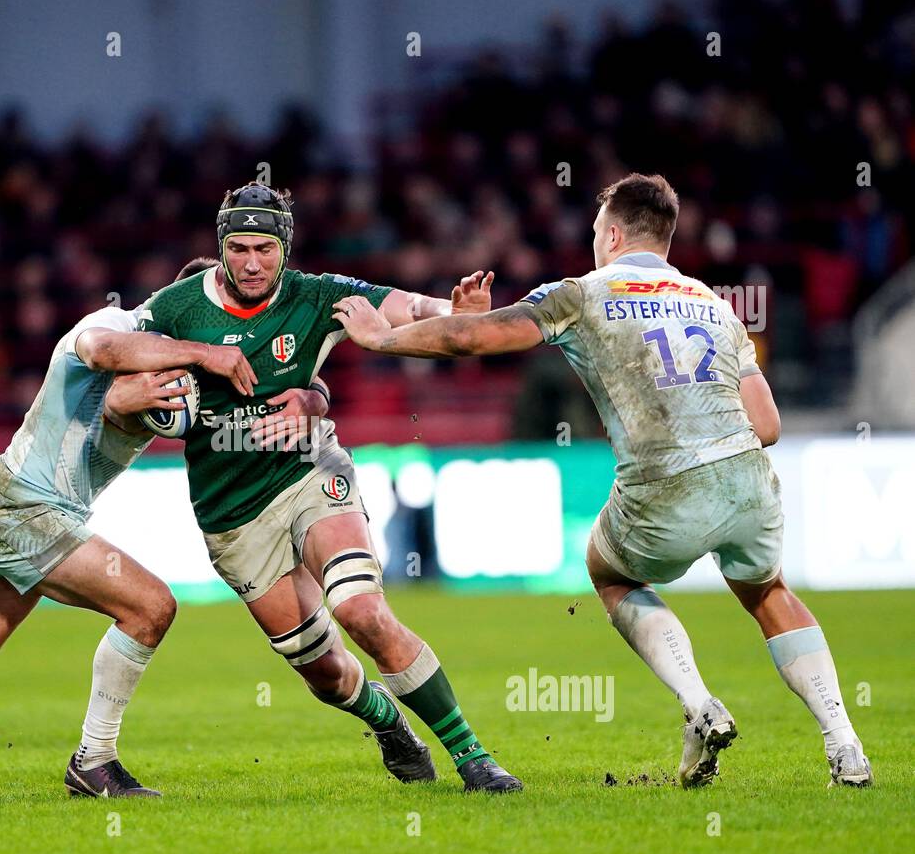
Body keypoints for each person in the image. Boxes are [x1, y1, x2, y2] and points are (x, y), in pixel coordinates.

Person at [333, 172, 872, 788]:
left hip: (664, 484)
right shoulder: (714, 304)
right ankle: (846, 747)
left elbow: (469, 338)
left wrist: (383, 338)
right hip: (747, 480)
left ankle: (698, 703)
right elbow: (768, 424)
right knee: (769, 592)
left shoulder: (583, 294)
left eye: (596, 232)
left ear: (612, 233)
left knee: (609, 570)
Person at [0, 258, 330, 799]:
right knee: (149, 607)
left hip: (24, 509)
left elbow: (280, 383)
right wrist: (201, 354)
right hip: (21, 507)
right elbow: (99, 353)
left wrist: (315, 396)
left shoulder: (182, 375)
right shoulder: (121, 326)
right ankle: (94, 761)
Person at [138, 183, 523, 793]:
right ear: (221, 246)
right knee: (327, 674)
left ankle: (473, 757)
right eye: (239, 248)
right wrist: (149, 383)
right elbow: (106, 353)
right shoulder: (177, 307)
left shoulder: (317, 295)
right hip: (233, 516)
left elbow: (413, 310)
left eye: (265, 248)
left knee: (362, 610)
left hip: (312, 475)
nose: (253, 262)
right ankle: (388, 723)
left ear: (285, 246)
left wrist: (462, 316)